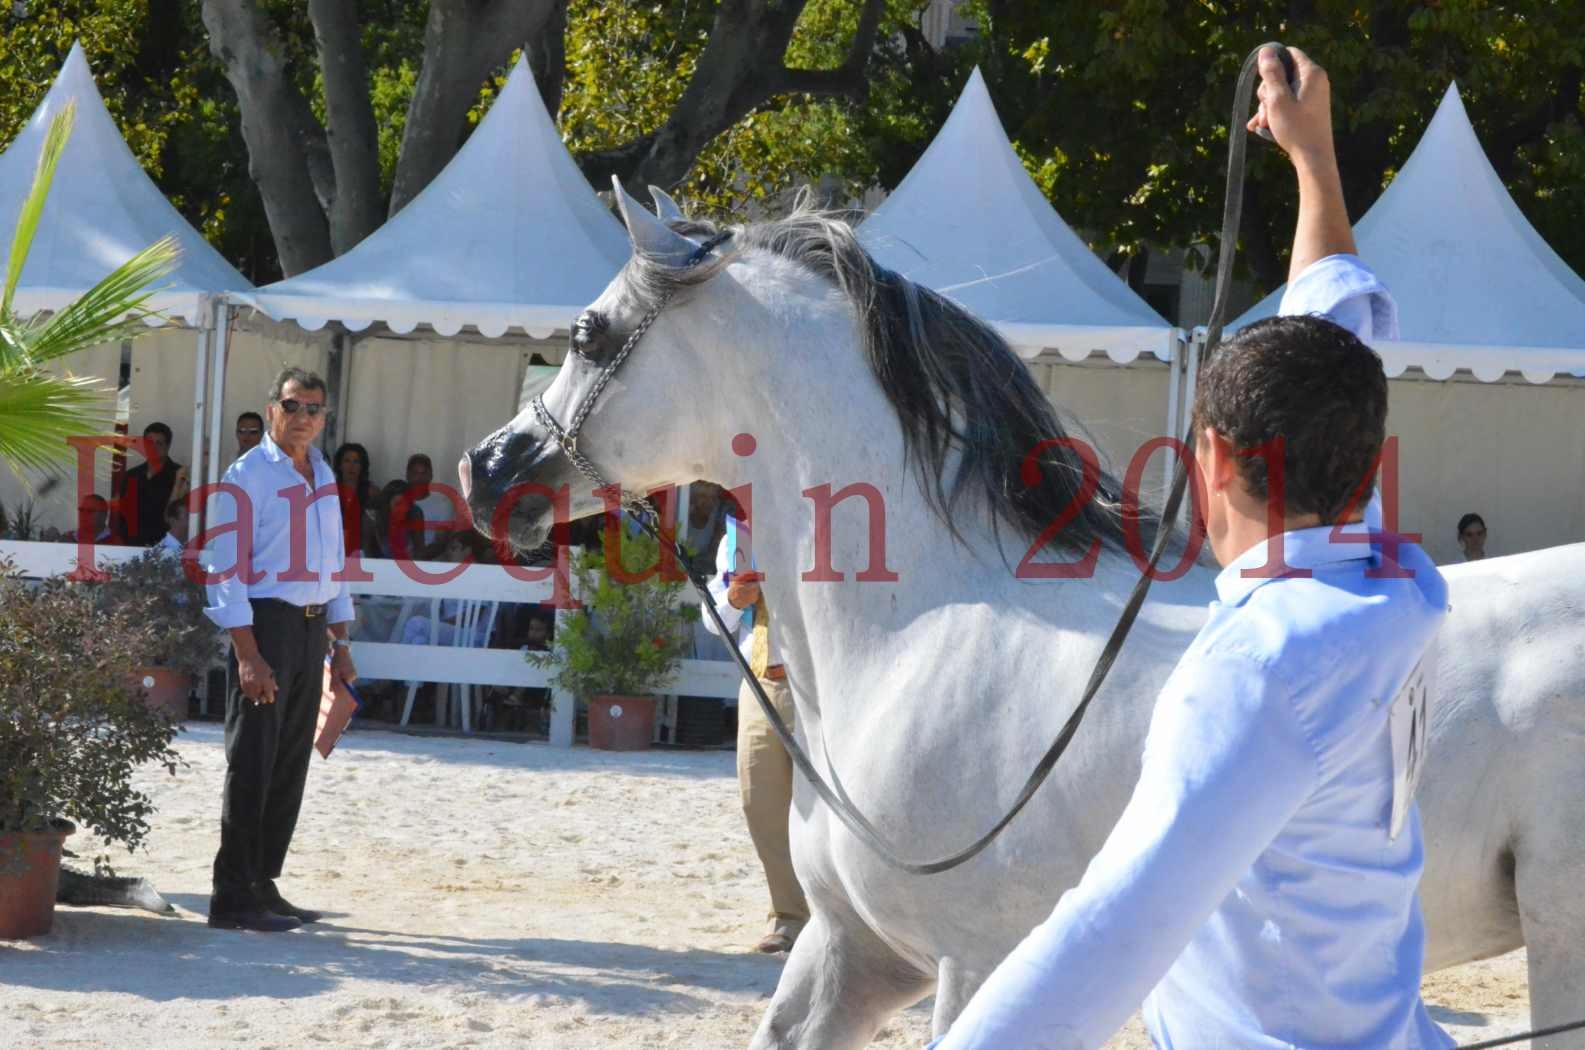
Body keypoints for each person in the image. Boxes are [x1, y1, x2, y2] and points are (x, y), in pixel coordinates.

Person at [934, 48, 1452, 1049]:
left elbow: (1110, 931)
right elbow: (1332, 330)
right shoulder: (1379, 575)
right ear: (1361, 460)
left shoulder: (1264, 662)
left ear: (1210, 458)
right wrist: (1313, 160)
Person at [203, 367, 357, 933]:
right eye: (294, 405)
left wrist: (341, 643)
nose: (304, 418)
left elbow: (335, 563)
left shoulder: (322, 474)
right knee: (252, 761)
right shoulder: (245, 476)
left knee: (290, 763)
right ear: (273, 409)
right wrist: (247, 652)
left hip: (313, 630)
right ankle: (231, 898)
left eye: (315, 409)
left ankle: (262, 884)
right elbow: (223, 568)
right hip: (264, 627)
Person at [702, 511, 810, 954]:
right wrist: (733, 598)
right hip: (762, 678)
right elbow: (714, 621)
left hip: (824, 679)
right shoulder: (739, 536)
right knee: (760, 801)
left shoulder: (832, 519)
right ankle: (789, 915)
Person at [115, 421, 183, 546]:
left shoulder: (179, 475)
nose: (154, 447)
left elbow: (180, 517)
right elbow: (121, 516)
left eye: (159, 443)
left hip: (165, 548)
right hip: (132, 547)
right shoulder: (131, 475)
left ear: (168, 446)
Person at [404, 453, 455, 561]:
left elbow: (441, 542)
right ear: (407, 475)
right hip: (399, 562)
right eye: (415, 473)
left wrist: (418, 558)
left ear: (431, 476)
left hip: (432, 564)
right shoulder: (397, 501)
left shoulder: (443, 503)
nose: (419, 478)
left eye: (424, 473)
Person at [332, 442, 378, 557]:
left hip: (362, 553)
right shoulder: (330, 491)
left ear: (362, 466)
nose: (351, 466)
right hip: (334, 552)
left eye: (356, 462)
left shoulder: (371, 492)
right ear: (339, 465)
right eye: (347, 461)